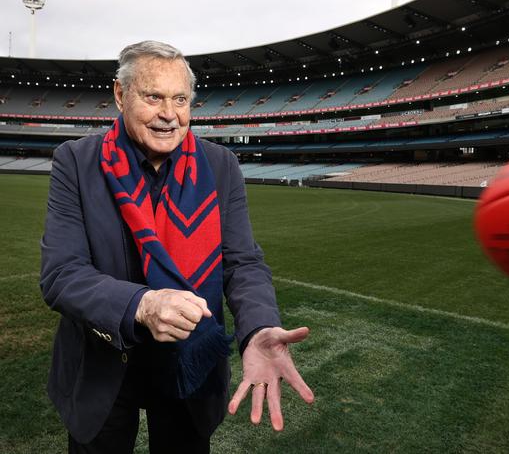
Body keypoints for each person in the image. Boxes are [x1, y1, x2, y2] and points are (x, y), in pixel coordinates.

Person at [40, 40, 314, 454]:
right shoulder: (76, 162)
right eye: (153, 97)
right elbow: (62, 274)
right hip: (105, 362)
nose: (169, 115)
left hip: (190, 363)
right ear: (120, 94)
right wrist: (142, 305)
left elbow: (242, 263)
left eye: (180, 99)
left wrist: (257, 327)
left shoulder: (220, 166)